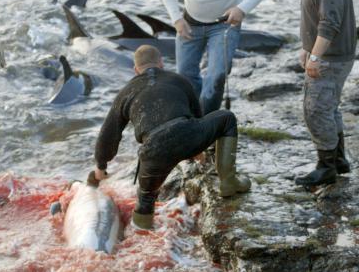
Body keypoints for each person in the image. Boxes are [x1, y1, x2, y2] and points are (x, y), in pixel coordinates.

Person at [93, 45, 251, 230]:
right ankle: (228, 182)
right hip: (187, 133)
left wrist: (101, 165)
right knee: (227, 118)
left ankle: (141, 234)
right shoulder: (179, 80)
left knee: (146, 200)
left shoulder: (125, 93)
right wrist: (197, 148)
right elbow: (197, 116)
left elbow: (109, 135)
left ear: (135, 70)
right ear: (161, 63)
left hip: (153, 151)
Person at [160, 0, 270, 115]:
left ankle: (207, 120)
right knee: (185, 75)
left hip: (224, 26)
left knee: (217, 76)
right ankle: (193, 117)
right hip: (190, 23)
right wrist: (176, 19)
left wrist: (241, 9)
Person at [284, 0, 357, 187]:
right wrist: (307, 49)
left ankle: (326, 167)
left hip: (330, 59)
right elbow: (316, 19)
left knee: (315, 110)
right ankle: (338, 161)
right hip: (330, 56)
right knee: (329, 107)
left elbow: (330, 23)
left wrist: (316, 56)